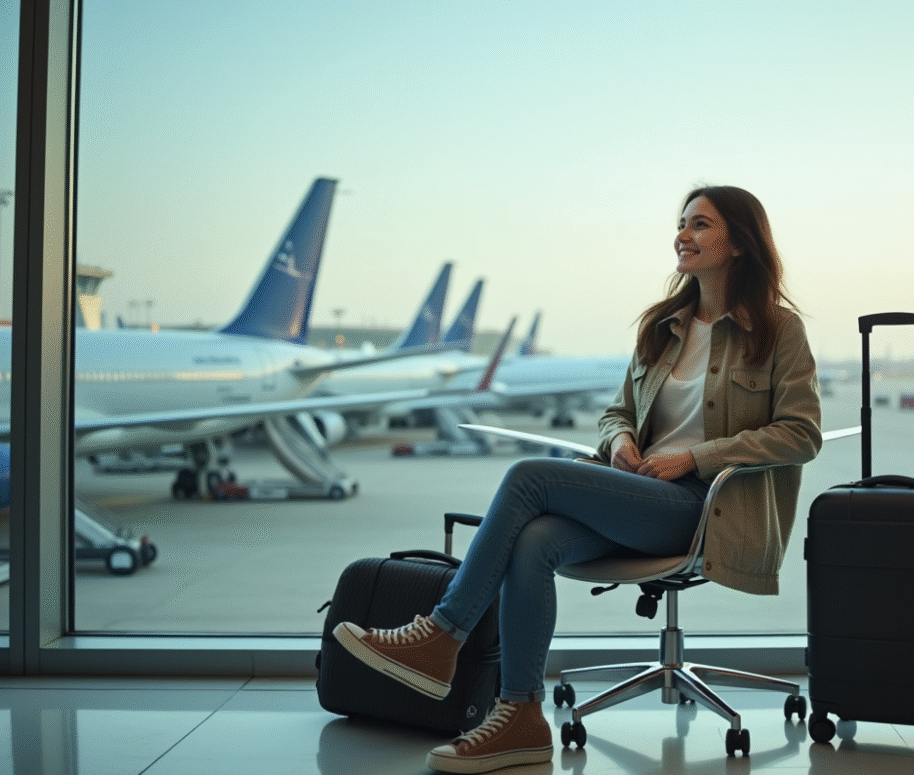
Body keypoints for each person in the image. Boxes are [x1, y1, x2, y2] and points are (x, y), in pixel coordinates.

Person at [333, 185, 823, 774]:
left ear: (739, 243)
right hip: (638, 495)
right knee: (535, 541)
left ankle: (442, 634)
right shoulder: (662, 326)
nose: (682, 235)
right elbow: (618, 411)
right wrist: (619, 441)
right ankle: (520, 717)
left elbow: (801, 434)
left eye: (700, 225)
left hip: (701, 507)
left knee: (528, 477)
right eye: (681, 224)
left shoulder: (776, 331)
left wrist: (695, 458)